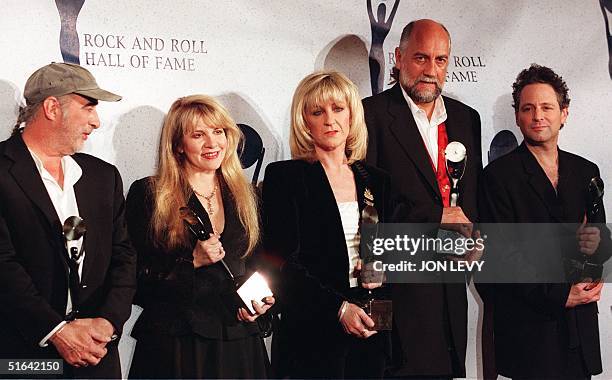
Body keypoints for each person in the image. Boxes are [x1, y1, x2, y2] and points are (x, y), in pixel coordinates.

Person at [362, 19, 483, 378]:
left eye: (441, 60)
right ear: (398, 58)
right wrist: (436, 215)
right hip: (398, 293)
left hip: (449, 292)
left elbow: (471, 200)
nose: (431, 70)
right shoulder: (369, 115)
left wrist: (476, 239)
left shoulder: (466, 119)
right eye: (421, 58)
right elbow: (367, 202)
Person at [0, 62, 136, 378]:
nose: (96, 121)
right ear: (52, 107)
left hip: (97, 355)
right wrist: (56, 330)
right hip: (24, 359)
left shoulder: (102, 177)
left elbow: (124, 257)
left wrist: (108, 323)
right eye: (88, 108)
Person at [126, 95, 274, 379]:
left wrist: (261, 303)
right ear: (178, 145)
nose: (212, 143)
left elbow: (258, 264)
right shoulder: (150, 194)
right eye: (198, 135)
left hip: (239, 342)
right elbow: (134, 281)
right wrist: (190, 262)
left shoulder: (246, 195)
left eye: (218, 132)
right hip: (177, 345)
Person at [479, 64, 611, 379]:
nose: (538, 115)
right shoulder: (498, 177)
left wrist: (592, 273)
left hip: (579, 332)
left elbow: (598, 241)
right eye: (528, 108)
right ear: (517, 116)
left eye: (547, 107)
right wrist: (559, 292)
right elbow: (501, 256)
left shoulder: (585, 171)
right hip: (529, 333)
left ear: (564, 113)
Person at [262, 70, 391, 378]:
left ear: (351, 115)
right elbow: (282, 263)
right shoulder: (286, 177)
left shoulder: (376, 179)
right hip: (311, 332)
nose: (329, 120)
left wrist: (383, 273)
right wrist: (338, 308)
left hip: (371, 328)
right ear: (304, 121)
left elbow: (389, 250)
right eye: (317, 112)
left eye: (338, 109)